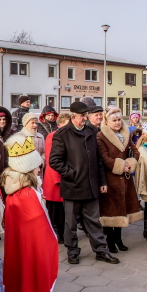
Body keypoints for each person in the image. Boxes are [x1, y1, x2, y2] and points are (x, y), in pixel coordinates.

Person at [0, 133, 58, 292]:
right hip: (27, 249)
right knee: (26, 280)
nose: (39, 168)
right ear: (27, 167)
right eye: (36, 165)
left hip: (24, 247)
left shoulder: (23, 189)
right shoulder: (24, 193)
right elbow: (37, 222)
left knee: (27, 279)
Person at [49, 101, 119, 265]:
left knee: (94, 220)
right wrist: (72, 174)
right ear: (73, 116)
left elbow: (98, 160)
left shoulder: (92, 131)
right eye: (82, 116)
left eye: (86, 115)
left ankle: (101, 251)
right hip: (73, 186)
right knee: (71, 223)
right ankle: (72, 251)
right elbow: (54, 161)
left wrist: (102, 181)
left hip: (91, 185)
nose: (85, 118)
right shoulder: (62, 134)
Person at [97, 107, 143, 253]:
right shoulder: (101, 136)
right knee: (111, 210)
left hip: (126, 177)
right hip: (111, 178)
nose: (117, 123)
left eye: (118, 120)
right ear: (107, 121)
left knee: (122, 208)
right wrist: (120, 166)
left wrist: (131, 162)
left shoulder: (126, 134)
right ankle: (110, 240)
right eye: (114, 120)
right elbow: (104, 157)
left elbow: (135, 151)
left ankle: (118, 239)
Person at [43, 113, 71, 243]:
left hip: (64, 177)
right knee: (56, 210)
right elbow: (51, 158)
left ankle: (63, 234)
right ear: (59, 125)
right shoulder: (52, 136)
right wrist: (57, 179)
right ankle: (58, 234)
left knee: (63, 210)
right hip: (56, 178)